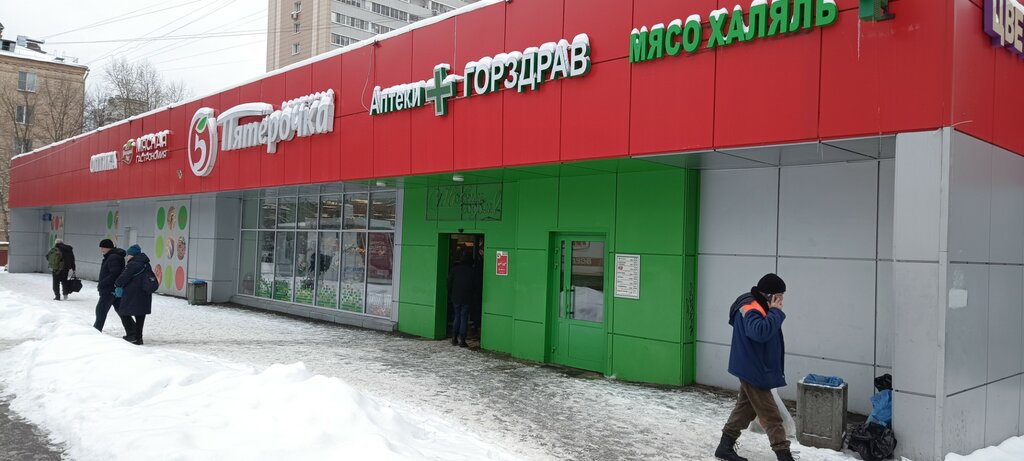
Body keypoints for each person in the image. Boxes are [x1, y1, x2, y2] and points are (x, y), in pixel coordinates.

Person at [715, 273, 793, 461]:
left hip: (753, 367)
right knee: (771, 415)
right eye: (779, 297)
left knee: (745, 409)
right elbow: (759, 332)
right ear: (769, 295)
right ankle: (784, 455)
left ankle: (724, 447)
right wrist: (776, 312)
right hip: (753, 369)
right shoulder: (751, 307)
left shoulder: (760, 305)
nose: (781, 301)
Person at [114, 244, 153, 346]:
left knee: (123, 312)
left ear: (132, 255)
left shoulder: (133, 264)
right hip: (145, 294)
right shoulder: (146, 264)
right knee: (140, 317)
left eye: (128, 254)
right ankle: (138, 338)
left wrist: (117, 283)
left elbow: (123, 278)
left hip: (133, 294)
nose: (127, 256)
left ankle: (132, 335)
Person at [93, 239, 126, 332]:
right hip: (112, 289)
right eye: (101, 247)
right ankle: (132, 330)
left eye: (103, 247)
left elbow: (114, 274)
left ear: (109, 248)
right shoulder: (111, 256)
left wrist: (102, 283)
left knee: (101, 310)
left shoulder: (113, 257)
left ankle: (96, 330)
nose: (101, 250)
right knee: (121, 311)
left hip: (109, 289)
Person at [446, 251, 477, 348]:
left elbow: (449, 283)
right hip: (467, 298)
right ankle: (462, 340)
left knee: (457, 316)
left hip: (456, 297)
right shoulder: (472, 271)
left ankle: (454, 338)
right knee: (464, 318)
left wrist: (451, 294)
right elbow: (475, 286)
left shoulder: (455, 269)